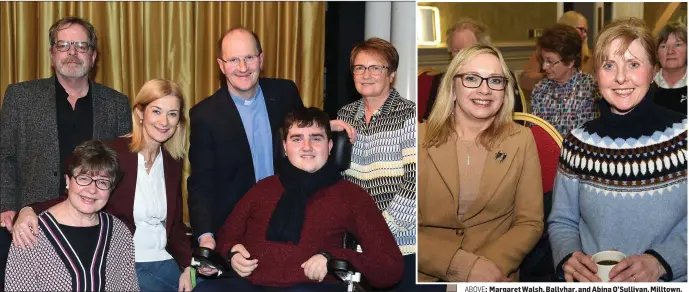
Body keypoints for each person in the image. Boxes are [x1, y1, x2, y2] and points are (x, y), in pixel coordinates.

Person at [11, 79, 215, 291]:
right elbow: (79, 194)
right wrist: (29, 209)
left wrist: (188, 267)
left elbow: (175, 226)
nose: (164, 121)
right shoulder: (114, 153)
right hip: (124, 263)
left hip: (165, 259)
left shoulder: (172, 161)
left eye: (172, 114)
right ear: (139, 113)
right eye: (156, 111)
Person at [194, 107, 403, 291]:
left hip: (311, 287)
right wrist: (231, 251)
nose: (306, 147)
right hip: (251, 283)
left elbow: (389, 266)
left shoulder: (351, 195)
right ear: (284, 146)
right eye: (297, 139)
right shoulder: (263, 189)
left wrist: (334, 257)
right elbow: (226, 237)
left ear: (330, 146)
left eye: (316, 138)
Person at [187, 27, 355, 254]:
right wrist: (206, 236)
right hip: (238, 232)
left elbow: (302, 130)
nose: (243, 67)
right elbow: (201, 183)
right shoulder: (204, 115)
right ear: (221, 65)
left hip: (292, 218)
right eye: (234, 60)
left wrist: (327, 125)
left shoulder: (285, 92)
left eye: (249, 58)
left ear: (261, 59)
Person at [548, 18, 687, 283]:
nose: (621, 77)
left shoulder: (684, 138)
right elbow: (562, 222)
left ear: (653, 70)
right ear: (596, 74)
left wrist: (662, 261)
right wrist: (569, 259)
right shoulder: (577, 144)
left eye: (633, 64)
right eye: (609, 65)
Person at [0, 16, 132, 289]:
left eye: (81, 46)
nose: (72, 53)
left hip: (92, 222)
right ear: (52, 54)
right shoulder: (20, 97)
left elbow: (121, 168)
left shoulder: (117, 103)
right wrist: (7, 206)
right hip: (30, 221)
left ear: (93, 56)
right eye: (64, 45)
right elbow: (5, 154)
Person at [418, 44, 544, 282]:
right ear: (452, 87)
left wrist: (485, 270)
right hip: (426, 274)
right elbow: (398, 228)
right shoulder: (416, 139)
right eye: (472, 78)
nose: (484, 90)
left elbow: (530, 222)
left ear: (505, 90)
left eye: (495, 80)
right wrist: (461, 266)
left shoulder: (521, 140)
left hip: (495, 272)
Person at [337, 37, 427, 291]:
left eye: (376, 67)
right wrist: (327, 127)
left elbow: (415, 182)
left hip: (401, 241)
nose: (366, 74)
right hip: (356, 244)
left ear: (392, 75)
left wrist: (376, 229)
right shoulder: (344, 115)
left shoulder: (409, 115)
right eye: (359, 67)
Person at [4, 140, 139, 291]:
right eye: (84, 179)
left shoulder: (119, 234)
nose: (92, 190)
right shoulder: (31, 234)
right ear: (68, 180)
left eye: (102, 182)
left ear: (111, 188)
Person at [422, 18, 523, 120]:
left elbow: (514, 120)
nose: (461, 57)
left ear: (484, 48)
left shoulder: (503, 78)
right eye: (456, 51)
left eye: (467, 50)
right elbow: (431, 121)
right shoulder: (441, 81)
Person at [530, 24, 598, 136]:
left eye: (550, 61)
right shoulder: (540, 90)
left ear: (570, 62)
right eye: (543, 60)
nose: (544, 67)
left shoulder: (591, 90)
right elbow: (535, 134)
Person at [520, 11, 594, 96]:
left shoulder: (590, 57)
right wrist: (551, 76)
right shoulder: (544, 53)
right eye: (581, 29)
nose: (584, 34)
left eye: (586, 31)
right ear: (567, 27)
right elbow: (524, 80)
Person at [652, 21, 687, 115]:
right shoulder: (645, 89)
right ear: (657, 54)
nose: (670, 51)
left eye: (678, 44)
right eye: (663, 46)